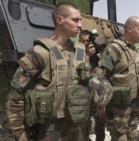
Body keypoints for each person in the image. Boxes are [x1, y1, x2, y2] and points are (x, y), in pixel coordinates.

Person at [5, 3, 93, 141]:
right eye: (75, 20)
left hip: (79, 130)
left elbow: (88, 85)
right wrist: (21, 135)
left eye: (80, 20)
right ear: (59, 20)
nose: (80, 25)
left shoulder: (80, 52)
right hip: (51, 132)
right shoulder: (40, 53)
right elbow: (16, 96)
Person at [91, 16, 139, 141]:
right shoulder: (114, 48)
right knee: (119, 136)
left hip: (135, 102)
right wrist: (101, 103)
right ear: (130, 28)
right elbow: (100, 74)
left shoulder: (137, 49)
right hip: (119, 106)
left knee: (132, 133)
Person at [79, 29, 106, 141]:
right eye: (84, 41)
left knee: (100, 122)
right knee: (84, 124)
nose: (88, 44)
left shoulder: (98, 57)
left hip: (97, 95)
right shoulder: (78, 55)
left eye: (89, 41)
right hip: (83, 96)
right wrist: (87, 56)